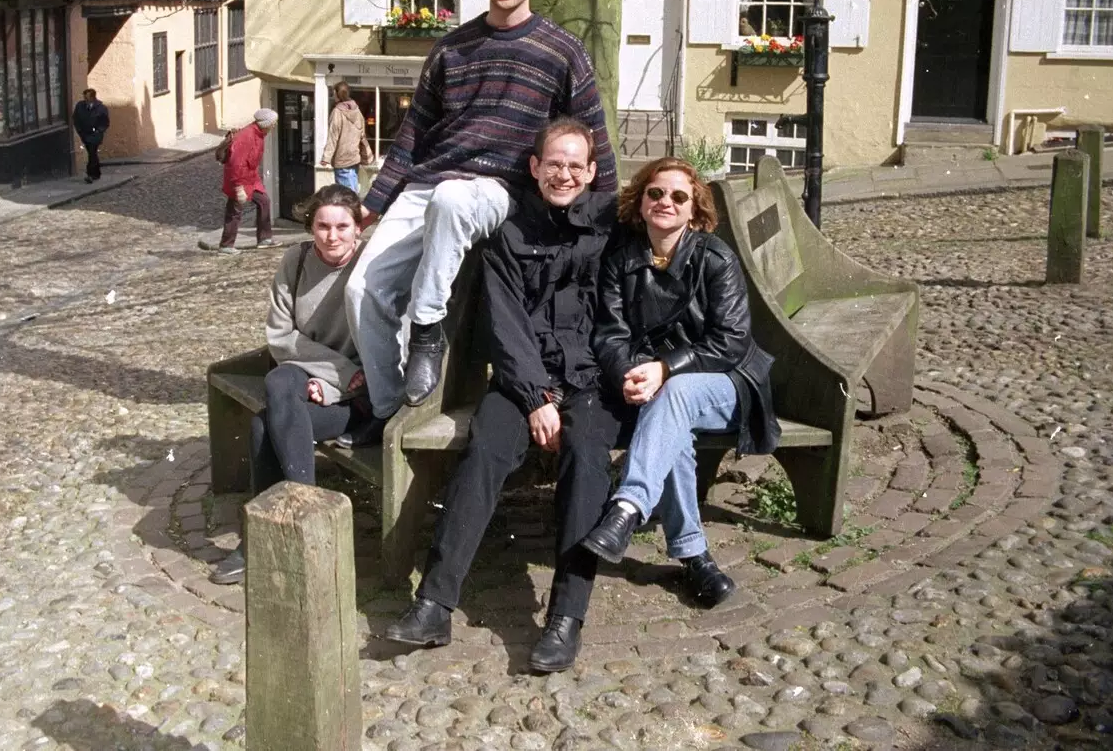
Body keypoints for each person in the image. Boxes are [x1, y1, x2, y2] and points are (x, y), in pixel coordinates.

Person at [346, 0, 618, 431]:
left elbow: (592, 136)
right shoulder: (452, 48)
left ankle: (427, 329)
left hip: (500, 188)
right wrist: (374, 203)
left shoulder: (563, 51)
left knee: (452, 199)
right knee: (362, 290)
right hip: (429, 182)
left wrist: (611, 214)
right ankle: (386, 411)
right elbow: (412, 133)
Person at [383, 118, 630, 672]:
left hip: (591, 380)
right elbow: (505, 322)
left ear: (592, 173)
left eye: (575, 165)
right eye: (554, 163)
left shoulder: (612, 229)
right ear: (535, 167)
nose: (564, 174)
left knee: (588, 462)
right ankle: (434, 606)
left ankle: (566, 619)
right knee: (486, 453)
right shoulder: (509, 232)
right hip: (524, 380)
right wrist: (535, 395)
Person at [577, 158, 780, 607]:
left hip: (727, 384)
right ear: (641, 200)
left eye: (678, 196)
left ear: (695, 210)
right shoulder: (622, 258)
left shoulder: (716, 259)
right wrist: (628, 373)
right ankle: (696, 559)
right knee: (672, 429)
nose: (665, 202)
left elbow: (730, 341)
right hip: (658, 391)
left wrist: (664, 369)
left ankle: (627, 506)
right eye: (655, 193)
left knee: (674, 394)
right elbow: (609, 333)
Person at [209, 184, 373, 584]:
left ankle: (258, 541)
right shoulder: (296, 261)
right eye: (322, 226)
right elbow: (281, 335)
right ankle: (308, 515)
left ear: (358, 228)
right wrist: (327, 373)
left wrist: (335, 386)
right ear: (310, 226)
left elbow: (387, 345)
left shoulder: (373, 264)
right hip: (312, 372)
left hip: (364, 395)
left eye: (341, 226)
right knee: (280, 379)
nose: (331, 236)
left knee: (263, 424)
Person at [218, 108, 278, 254]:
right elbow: (236, 164)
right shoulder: (247, 137)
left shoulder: (259, 134)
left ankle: (264, 239)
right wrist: (239, 188)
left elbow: (252, 162)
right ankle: (226, 245)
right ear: (266, 123)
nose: (274, 126)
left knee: (264, 201)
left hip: (251, 179)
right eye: (273, 123)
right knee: (234, 211)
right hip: (238, 180)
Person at [319, 81, 370, 193]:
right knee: (352, 191)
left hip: (342, 159)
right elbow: (362, 132)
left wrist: (326, 158)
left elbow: (333, 136)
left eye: (334, 93)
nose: (333, 96)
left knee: (347, 198)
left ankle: (354, 210)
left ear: (338, 94)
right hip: (354, 157)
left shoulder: (337, 112)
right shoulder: (356, 110)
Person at [72, 88, 110, 183]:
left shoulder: (101, 108)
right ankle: (97, 173)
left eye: (87, 98)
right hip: (85, 134)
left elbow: (105, 123)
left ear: (93, 98)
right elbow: (75, 119)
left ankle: (90, 175)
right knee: (92, 153)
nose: (85, 100)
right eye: (84, 97)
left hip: (95, 135)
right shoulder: (80, 106)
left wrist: (98, 131)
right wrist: (80, 131)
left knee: (92, 152)